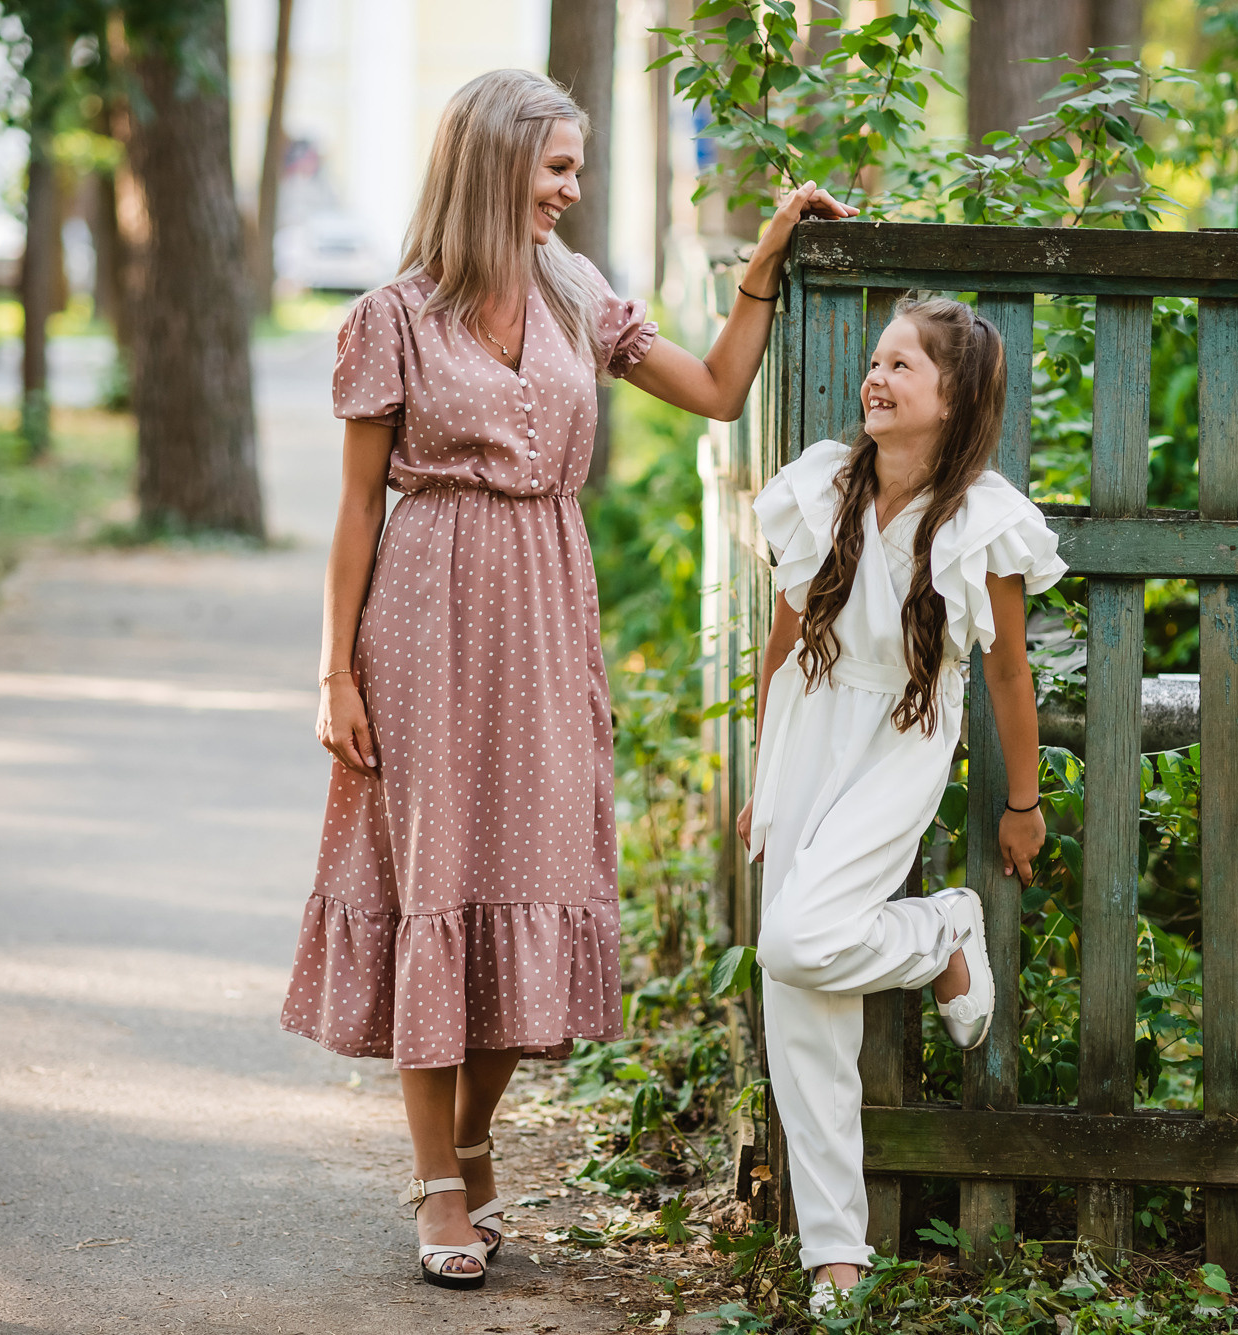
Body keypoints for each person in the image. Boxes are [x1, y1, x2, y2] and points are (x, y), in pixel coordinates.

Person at [281, 67, 855, 1291]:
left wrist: (761, 262)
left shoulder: (578, 292)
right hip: (425, 616)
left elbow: (713, 392)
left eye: (576, 169)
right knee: (438, 882)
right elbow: (351, 515)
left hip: (545, 605)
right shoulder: (390, 316)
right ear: (493, 165)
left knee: (539, 870)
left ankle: (474, 1137)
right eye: (554, 169)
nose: (570, 191)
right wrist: (334, 672)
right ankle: (439, 1184)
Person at [736, 298, 1066, 1310]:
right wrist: (761, 772)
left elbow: (1008, 676)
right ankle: (836, 1251)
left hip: (897, 745)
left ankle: (937, 932)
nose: (876, 378)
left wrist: (1022, 801)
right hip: (805, 732)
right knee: (800, 1003)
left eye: (902, 367)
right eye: (876, 361)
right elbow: (785, 638)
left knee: (796, 941)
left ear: (953, 395)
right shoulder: (823, 487)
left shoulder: (982, 522)